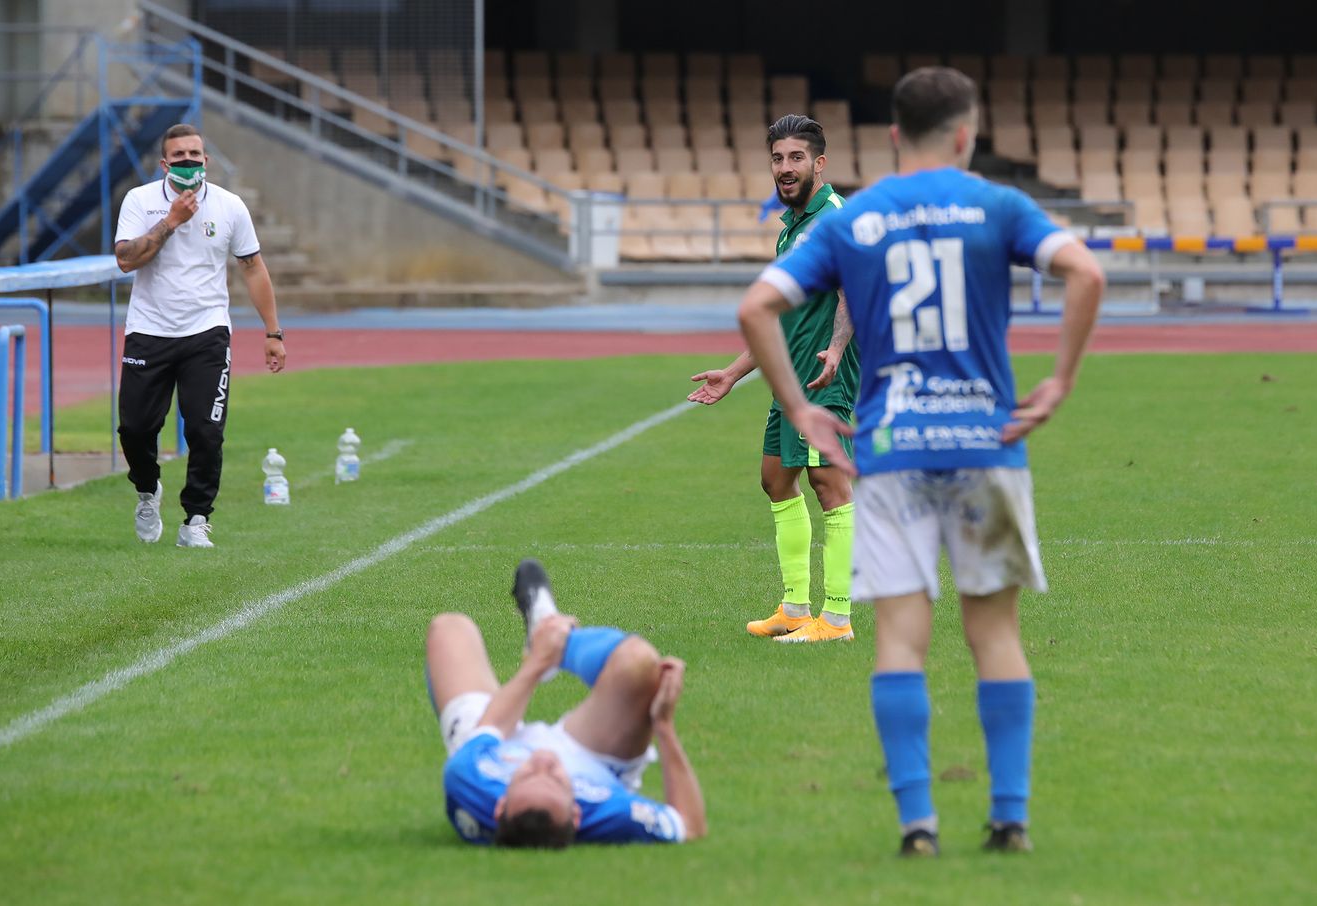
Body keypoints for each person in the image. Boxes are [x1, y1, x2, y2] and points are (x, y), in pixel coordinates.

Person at [735, 68, 1105, 856]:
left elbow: (756, 307)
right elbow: (1087, 272)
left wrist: (800, 407)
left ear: (894, 136)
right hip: (984, 443)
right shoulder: (997, 205)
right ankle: (1009, 817)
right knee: (994, 637)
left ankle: (917, 826)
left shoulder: (857, 218)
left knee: (900, 640)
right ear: (967, 136)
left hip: (894, 450)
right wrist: (1062, 379)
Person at [687, 114, 860, 644]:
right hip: (792, 375)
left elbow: (855, 289)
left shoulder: (834, 218)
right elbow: (780, 319)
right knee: (775, 478)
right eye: (778, 159)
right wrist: (734, 373)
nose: (785, 169)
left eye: (796, 158)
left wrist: (835, 347)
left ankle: (835, 618)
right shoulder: (794, 226)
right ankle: (793, 608)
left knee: (828, 482)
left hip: (822, 376)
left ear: (820, 164)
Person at [427, 559, 707, 847]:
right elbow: (690, 826)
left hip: (498, 745)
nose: (544, 759)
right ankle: (557, 635)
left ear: (499, 807)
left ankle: (545, 638)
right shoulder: (608, 811)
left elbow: (493, 725)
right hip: (591, 760)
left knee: (449, 628)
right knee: (639, 663)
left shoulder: (469, 780)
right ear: (577, 815)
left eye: (526, 773)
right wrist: (663, 724)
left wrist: (538, 663)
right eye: (558, 779)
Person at [114, 123, 286, 548]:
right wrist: (171, 222)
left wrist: (273, 331)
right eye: (180, 156)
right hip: (149, 331)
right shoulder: (140, 200)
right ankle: (147, 488)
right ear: (164, 163)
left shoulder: (230, 206)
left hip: (206, 333)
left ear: (207, 160)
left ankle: (195, 519)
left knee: (206, 432)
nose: (189, 162)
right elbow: (125, 260)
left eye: (196, 155)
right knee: (135, 429)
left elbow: (252, 267)